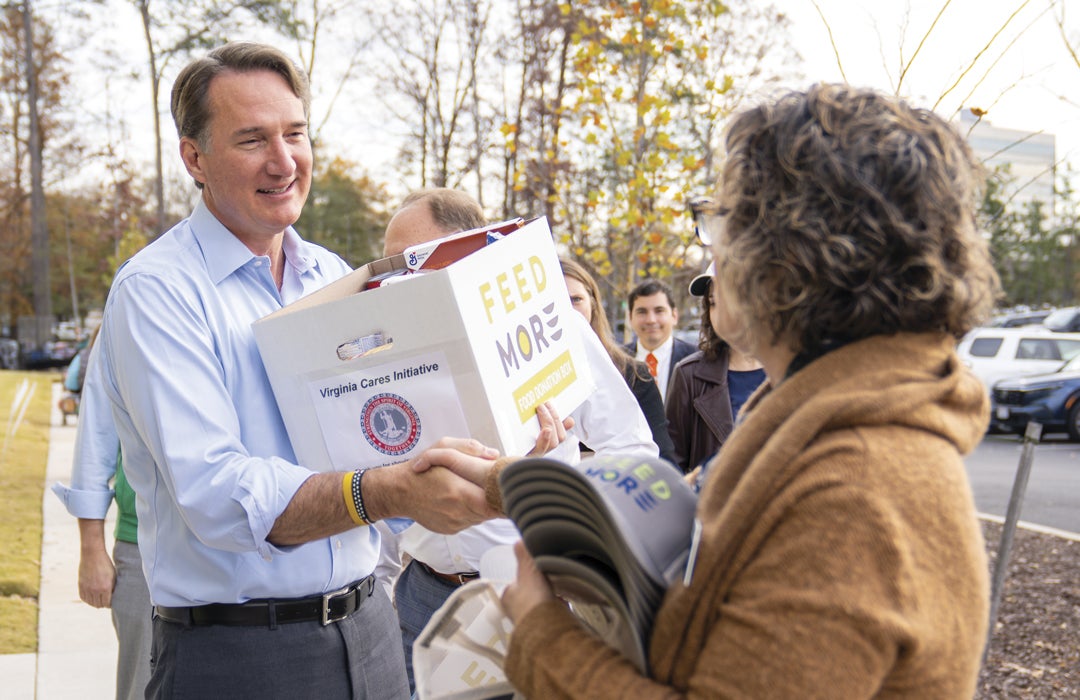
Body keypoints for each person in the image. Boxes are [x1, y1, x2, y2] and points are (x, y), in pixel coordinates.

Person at [436, 83, 1001, 697]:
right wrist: (501, 482)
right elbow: (671, 515)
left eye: (723, 221)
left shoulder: (855, 491)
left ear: (794, 255)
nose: (709, 250)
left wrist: (541, 634)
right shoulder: (820, 414)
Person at [89, 43, 520, 699]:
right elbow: (217, 494)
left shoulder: (329, 274)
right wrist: (388, 491)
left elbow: (387, 432)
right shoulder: (158, 291)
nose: (284, 161)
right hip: (239, 657)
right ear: (194, 158)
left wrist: (503, 444)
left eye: (295, 133)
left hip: (372, 631)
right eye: (253, 139)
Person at [381, 188, 659, 694]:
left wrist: (538, 484)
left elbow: (633, 453)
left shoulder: (558, 326)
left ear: (469, 254)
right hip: (421, 597)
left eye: (411, 262)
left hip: (525, 595)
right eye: (388, 264)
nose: (394, 279)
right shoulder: (386, 348)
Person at [52, 330, 151, 700]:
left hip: (250, 544)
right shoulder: (133, 298)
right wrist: (91, 549)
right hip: (144, 544)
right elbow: (96, 437)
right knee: (143, 687)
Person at [561, 257, 676, 464]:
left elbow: (661, 458)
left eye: (575, 300)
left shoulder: (633, 375)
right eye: (559, 300)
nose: (568, 311)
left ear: (593, 304)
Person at [665, 263, 765, 475]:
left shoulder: (795, 370)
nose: (721, 315)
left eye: (733, 301)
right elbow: (672, 468)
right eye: (713, 303)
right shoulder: (689, 374)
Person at [625, 279, 695, 403]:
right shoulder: (616, 361)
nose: (651, 320)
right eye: (642, 312)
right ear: (630, 318)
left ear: (674, 316)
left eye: (659, 311)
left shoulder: (696, 361)